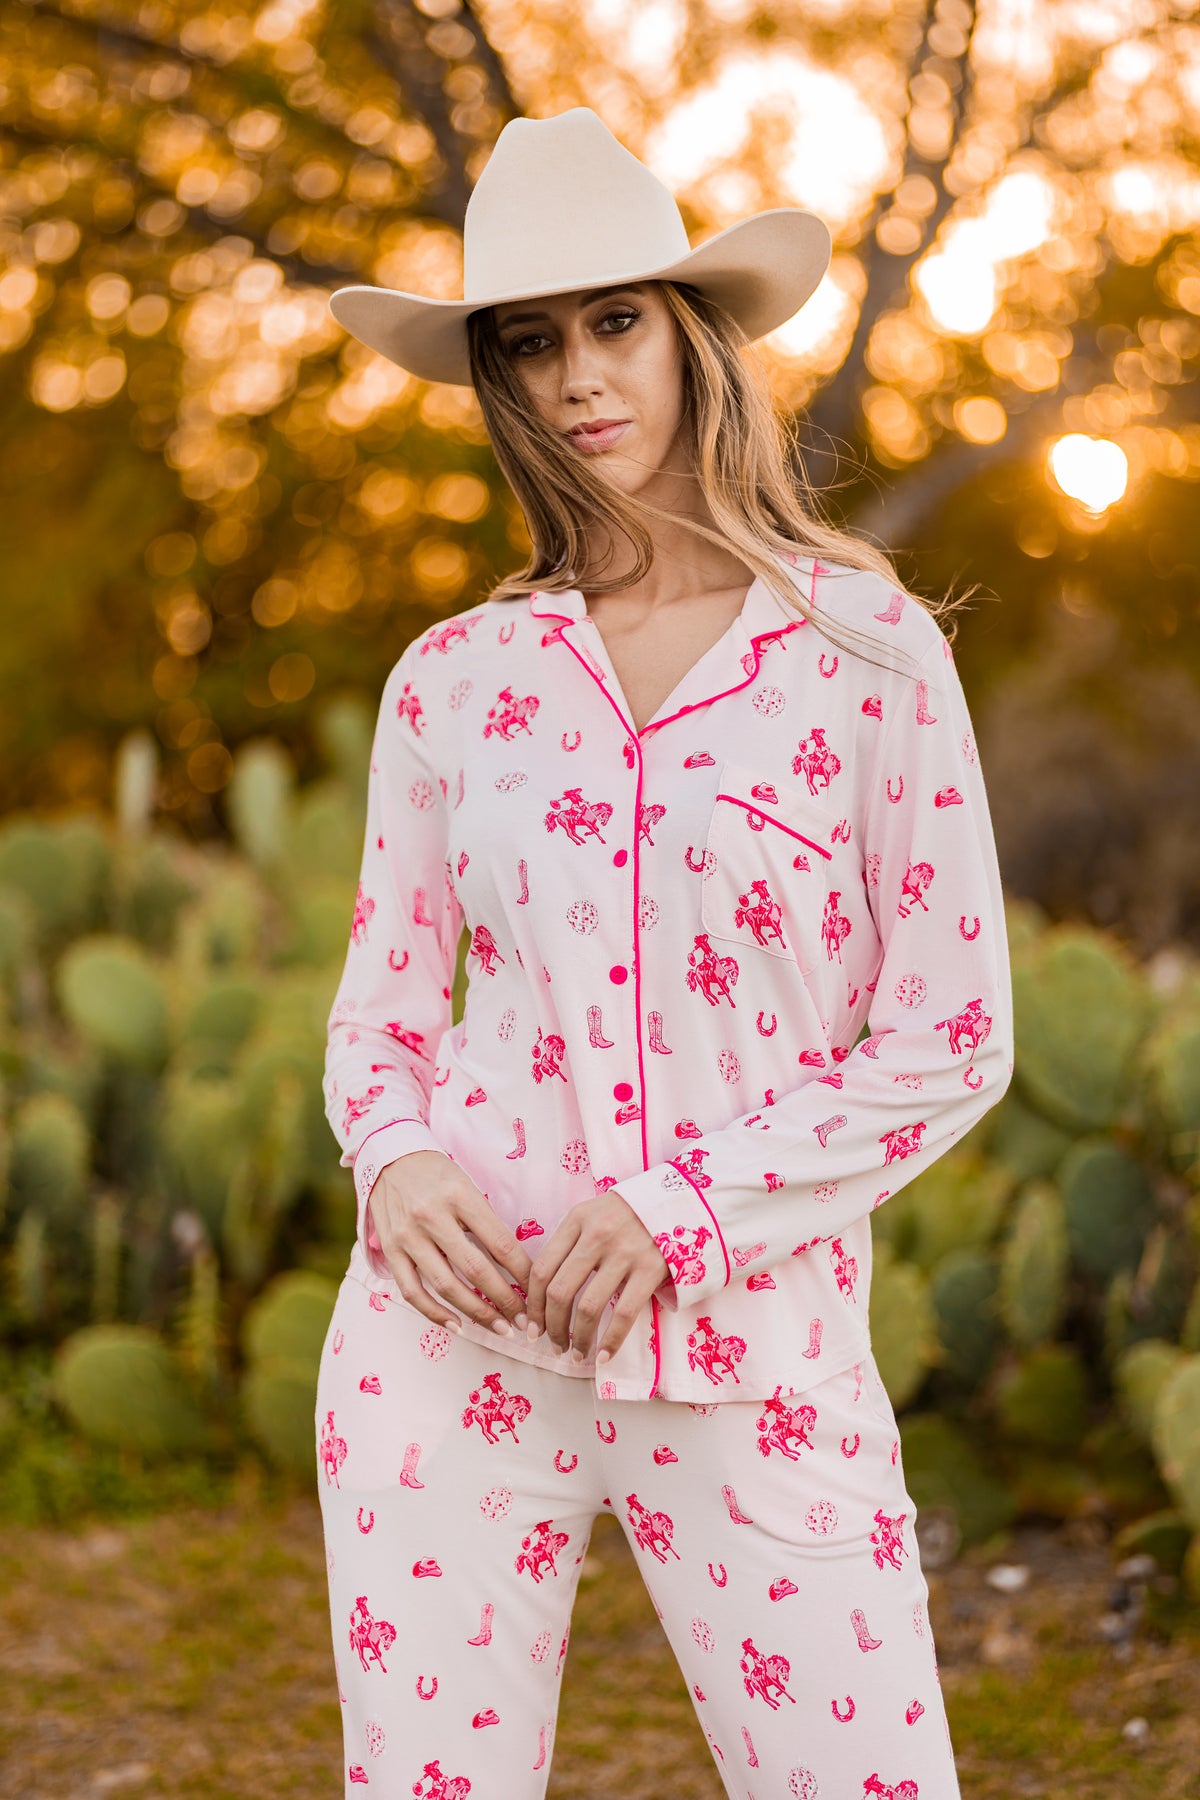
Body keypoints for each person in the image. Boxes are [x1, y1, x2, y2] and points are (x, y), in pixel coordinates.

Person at [316, 106, 1012, 1800]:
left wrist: (685, 1208)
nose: (575, 378)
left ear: (694, 335)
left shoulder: (866, 653)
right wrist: (392, 1163)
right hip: (446, 1342)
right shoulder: (453, 680)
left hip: (756, 1352)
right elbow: (382, 1018)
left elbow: (953, 1037)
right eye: (530, 342)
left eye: (615, 320)